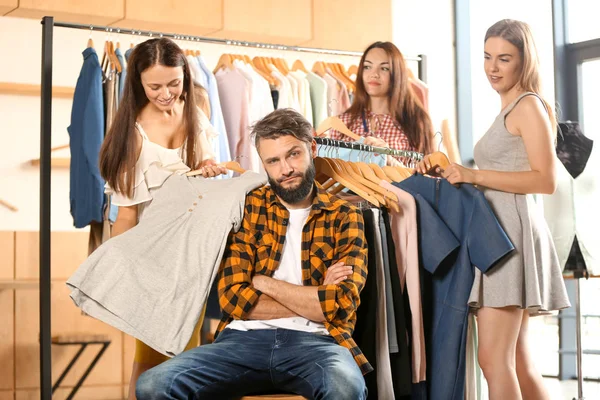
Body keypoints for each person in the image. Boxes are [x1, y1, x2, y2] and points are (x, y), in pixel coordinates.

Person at [135, 108, 370, 399]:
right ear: (263, 163)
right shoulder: (246, 208)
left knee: (346, 386)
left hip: (318, 344)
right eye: (273, 161)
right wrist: (316, 296)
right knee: (154, 384)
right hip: (241, 341)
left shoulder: (345, 215)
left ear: (311, 148)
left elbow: (342, 303)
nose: (285, 169)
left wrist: (263, 283)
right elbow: (233, 297)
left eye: (293, 154)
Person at [417, 19, 570, 400]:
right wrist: (454, 170)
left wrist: (473, 173)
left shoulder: (527, 106)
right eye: (487, 57)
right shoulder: (512, 108)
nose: (492, 68)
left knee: (492, 359)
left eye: (504, 58)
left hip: (510, 236)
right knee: (518, 359)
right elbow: (501, 174)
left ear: (524, 60)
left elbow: (545, 181)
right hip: (502, 232)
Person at [98, 37, 226, 399]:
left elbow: (203, 173)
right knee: (153, 353)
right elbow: (126, 216)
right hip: (153, 258)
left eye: (174, 82)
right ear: (138, 82)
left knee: (186, 352)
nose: (166, 93)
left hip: (197, 254)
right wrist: (119, 276)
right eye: (155, 86)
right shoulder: (132, 135)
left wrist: (207, 170)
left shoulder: (194, 112)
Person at [329, 41, 435, 156]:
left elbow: (428, 172)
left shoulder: (416, 122)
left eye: (384, 68)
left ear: (397, 74)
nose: (374, 74)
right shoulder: (343, 122)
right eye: (367, 67)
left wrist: (389, 158)